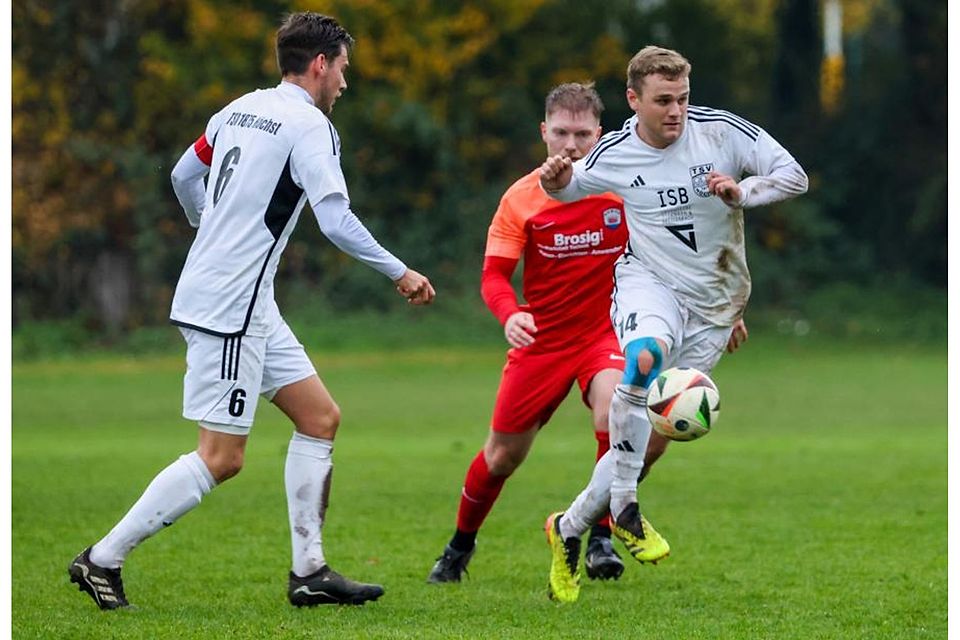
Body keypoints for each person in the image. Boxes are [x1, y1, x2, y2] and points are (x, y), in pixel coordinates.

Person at [68, 12, 435, 610]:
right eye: (343, 69)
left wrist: (208, 228)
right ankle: (102, 559)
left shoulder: (238, 109)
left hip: (244, 301)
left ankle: (310, 571)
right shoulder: (310, 126)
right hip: (230, 307)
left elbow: (184, 173)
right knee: (221, 457)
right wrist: (401, 271)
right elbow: (335, 219)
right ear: (320, 64)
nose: (345, 82)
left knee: (319, 418)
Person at [426, 83, 746, 585]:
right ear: (544, 132)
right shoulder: (521, 199)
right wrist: (509, 314)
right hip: (543, 342)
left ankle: (598, 537)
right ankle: (459, 546)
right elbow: (493, 276)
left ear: (600, 134)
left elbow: (682, 252)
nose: (570, 145)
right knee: (502, 456)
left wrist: (719, 309)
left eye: (581, 134)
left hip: (609, 332)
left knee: (617, 413)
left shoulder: (627, 185)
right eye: (560, 133)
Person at [538, 45, 806, 603]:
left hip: (716, 305)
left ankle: (569, 526)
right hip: (649, 282)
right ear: (633, 99)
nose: (676, 110)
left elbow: (793, 176)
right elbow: (566, 188)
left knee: (649, 442)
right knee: (643, 358)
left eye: (682, 98)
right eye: (663, 100)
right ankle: (626, 509)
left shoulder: (721, 132)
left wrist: (742, 192)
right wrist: (556, 179)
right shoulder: (615, 151)